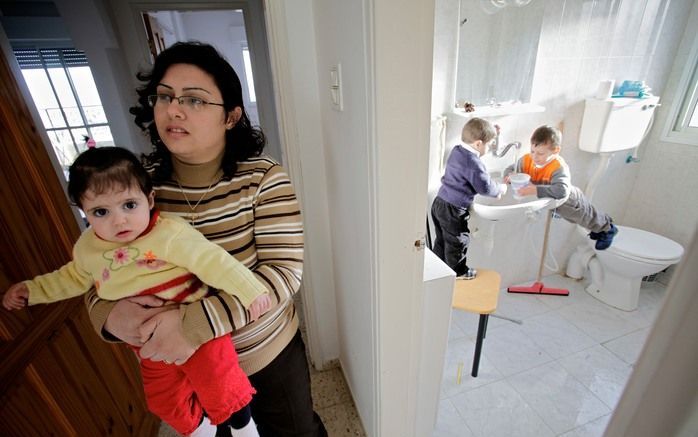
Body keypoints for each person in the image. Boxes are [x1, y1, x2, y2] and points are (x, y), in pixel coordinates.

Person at [84, 42, 327, 436]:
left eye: (194, 100)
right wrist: (106, 314)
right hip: (187, 369)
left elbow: (283, 274)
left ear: (231, 116)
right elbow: (97, 264)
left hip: (265, 356)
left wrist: (192, 325)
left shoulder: (262, 179)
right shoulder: (137, 189)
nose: (173, 109)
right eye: (163, 96)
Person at [3, 147, 271, 437]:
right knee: (163, 400)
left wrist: (250, 290)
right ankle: (200, 430)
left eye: (129, 205)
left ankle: (245, 429)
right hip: (148, 344)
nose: (119, 221)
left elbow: (212, 260)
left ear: (149, 199)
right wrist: (33, 291)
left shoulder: (168, 233)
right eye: (101, 212)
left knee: (220, 386)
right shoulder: (88, 249)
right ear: (84, 213)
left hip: (198, 329)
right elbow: (70, 278)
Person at [504, 125, 618, 250]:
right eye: (532, 151)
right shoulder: (527, 160)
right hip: (554, 201)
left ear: (555, 150)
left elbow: (562, 191)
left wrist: (535, 189)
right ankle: (597, 230)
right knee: (574, 220)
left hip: (570, 200)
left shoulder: (558, 167)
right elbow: (511, 169)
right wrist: (509, 176)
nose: (535, 157)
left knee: (586, 217)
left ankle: (607, 228)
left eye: (540, 153)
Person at [431, 117, 507, 279]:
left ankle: (440, 272)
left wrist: (493, 132)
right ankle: (459, 273)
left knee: (442, 241)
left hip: (439, 203)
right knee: (458, 242)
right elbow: (485, 187)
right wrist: (500, 189)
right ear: (479, 144)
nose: (489, 148)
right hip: (453, 209)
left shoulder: (457, 150)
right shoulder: (473, 162)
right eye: (489, 144)